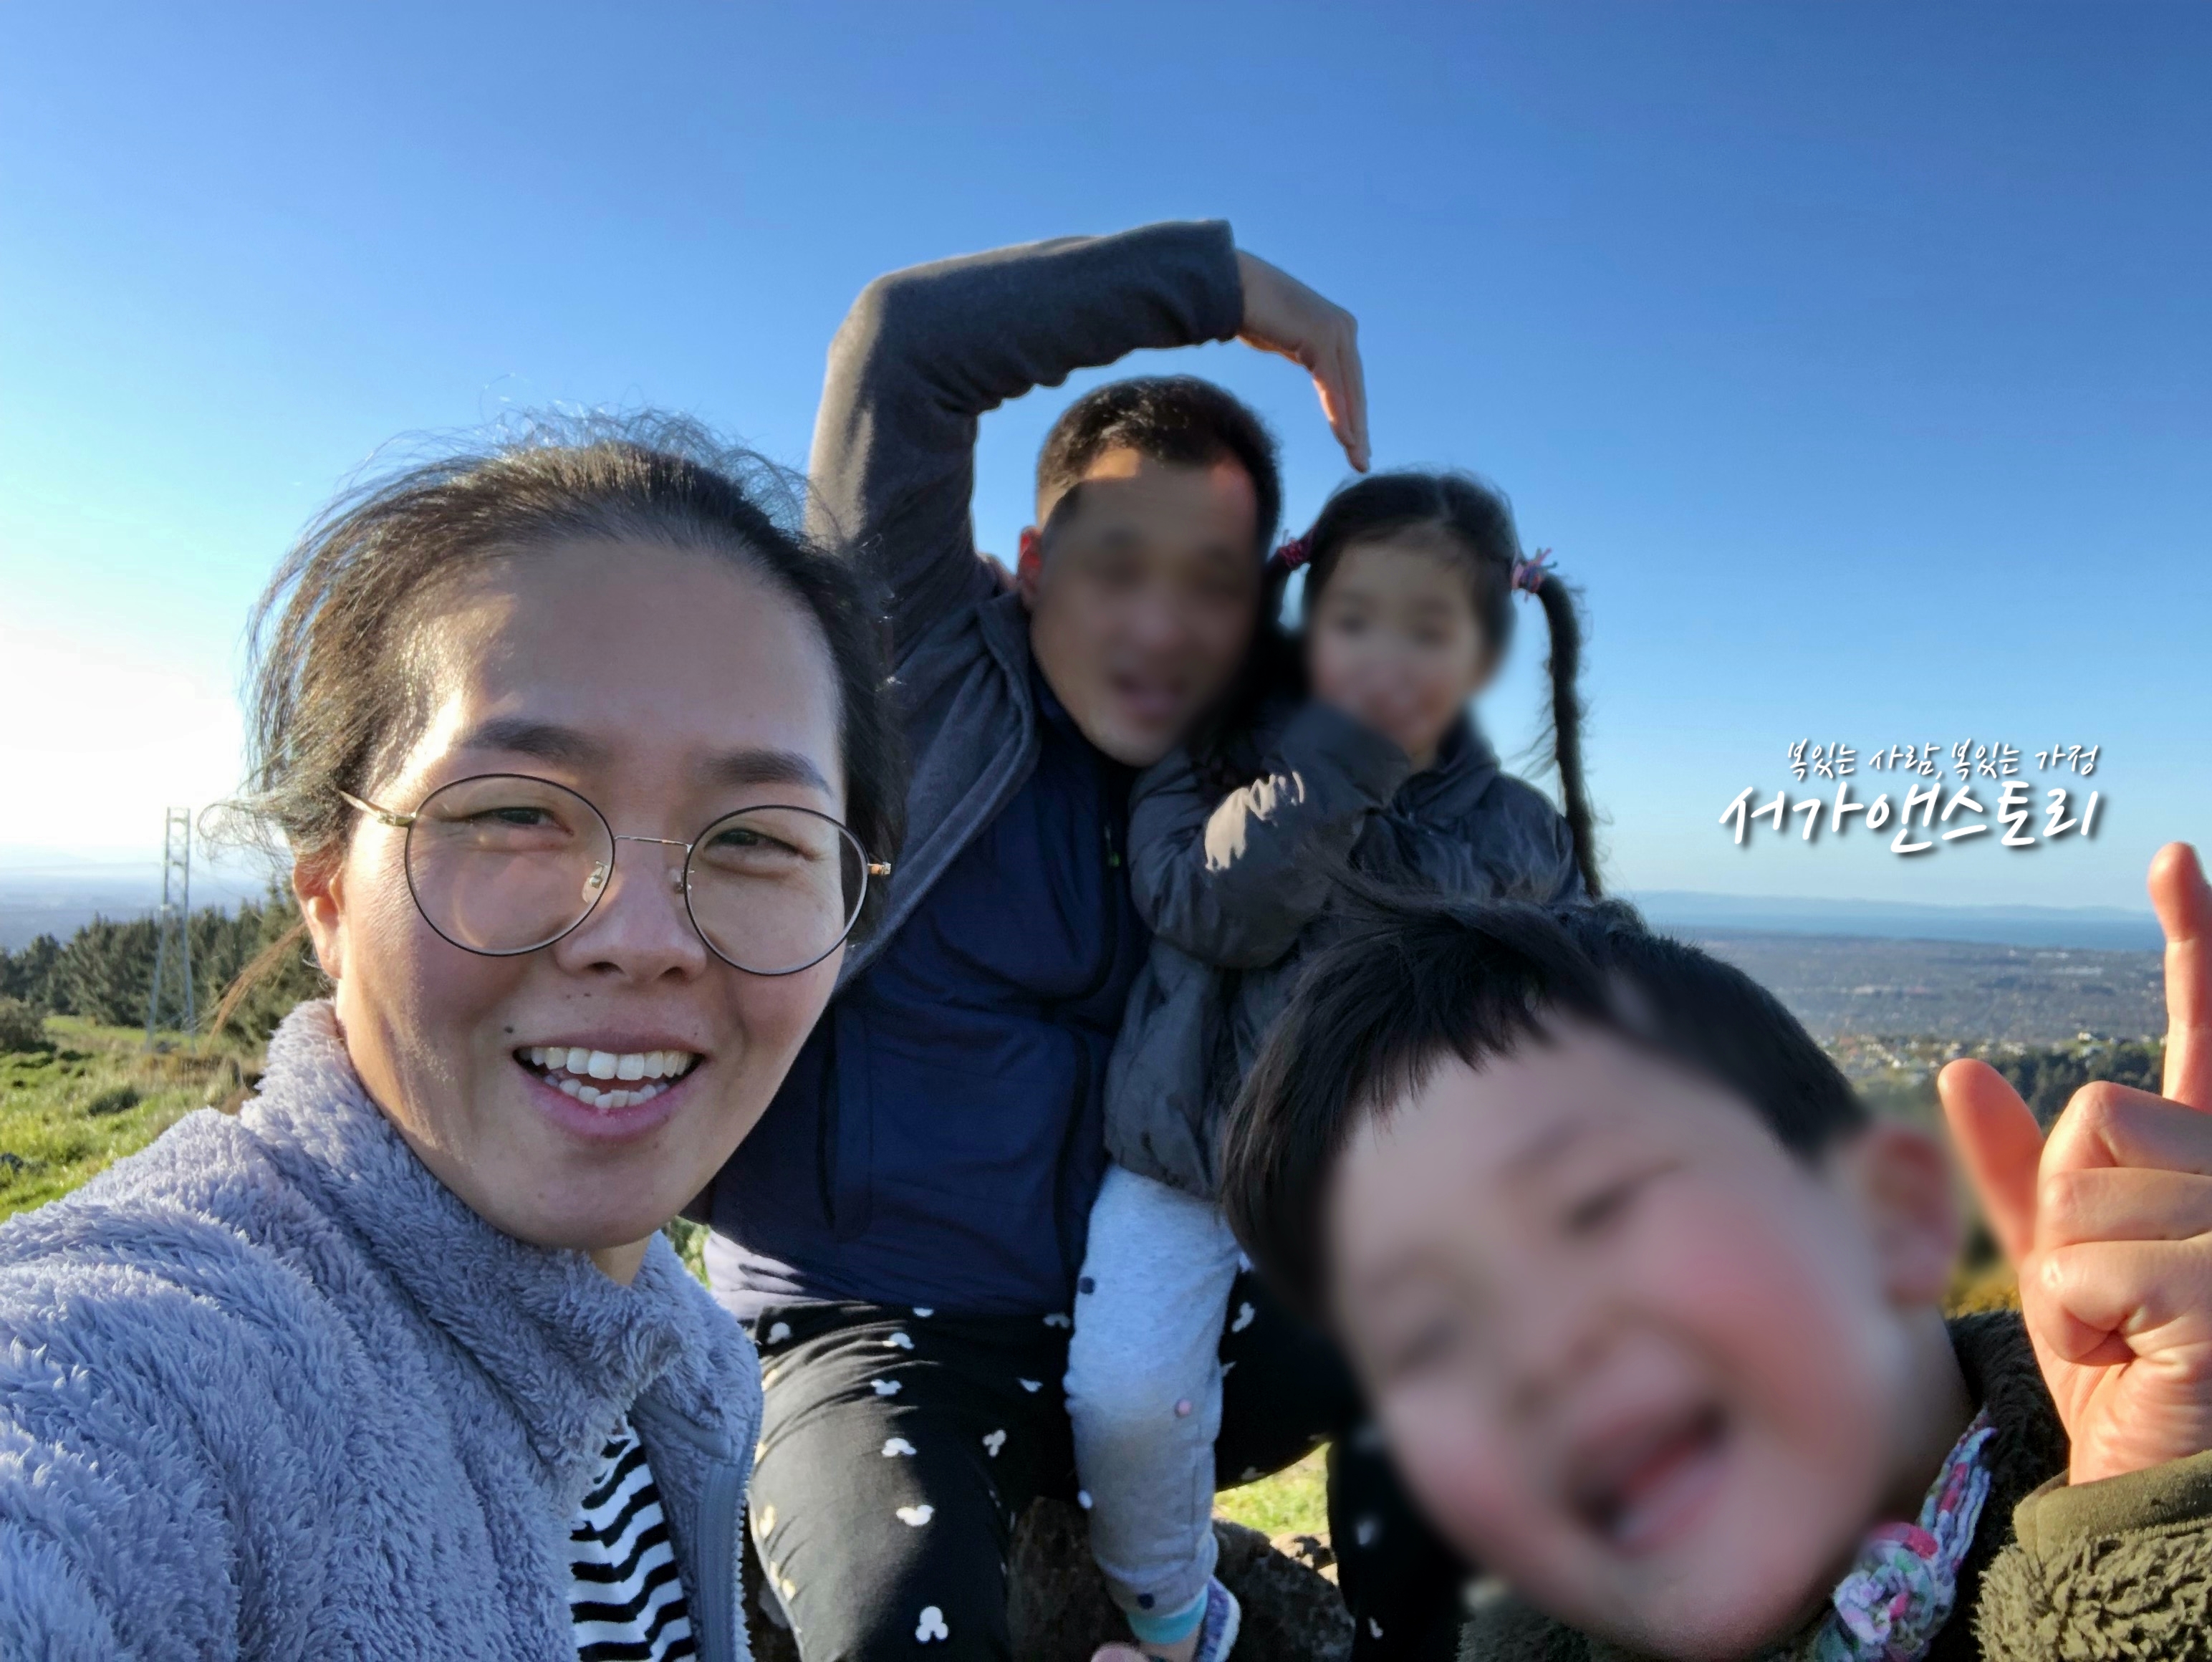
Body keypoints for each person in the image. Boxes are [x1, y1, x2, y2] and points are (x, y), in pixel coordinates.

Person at [0, 418, 901, 1662]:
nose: (642, 939)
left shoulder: (685, 1361)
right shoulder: (159, 1360)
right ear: (325, 895)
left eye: (755, 837)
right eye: (516, 813)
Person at [696, 221, 1438, 1661]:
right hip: (870, 1331)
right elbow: (902, 350)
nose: (1158, 624)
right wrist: (1238, 292)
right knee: (901, 1629)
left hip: (1140, 1333)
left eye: (1209, 583)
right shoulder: (908, 667)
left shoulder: (1232, 787)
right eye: (1117, 565)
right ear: (1034, 564)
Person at [1219, 844, 2212, 1662]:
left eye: (1593, 1209)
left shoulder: (2170, 1501)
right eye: (1425, 1341)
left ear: (1893, 1215)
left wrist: (2155, 1529)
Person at [1069, 469, 1599, 1661]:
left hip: (1388, 1193)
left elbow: (1572, 997)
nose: (1388, 657)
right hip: (1187, 1163)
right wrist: (1341, 767)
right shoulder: (1210, 751)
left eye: (1431, 628)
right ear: (1311, 616)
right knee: (1128, 1398)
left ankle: (1406, 1640)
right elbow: (1211, 909)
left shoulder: (1514, 828)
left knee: (1439, 1412)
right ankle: (1173, 1619)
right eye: (1359, 619)